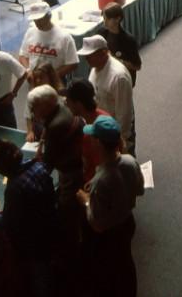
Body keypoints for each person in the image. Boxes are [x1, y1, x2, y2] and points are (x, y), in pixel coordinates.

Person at [75, 115, 144, 297]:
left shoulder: (102, 180)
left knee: (107, 275)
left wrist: (86, 200)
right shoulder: (130, 161)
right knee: (125, 265)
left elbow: (97, 225)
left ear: (98, 143)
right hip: (127, 223)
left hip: (107, 236)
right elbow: (139, 190)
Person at [0, 139, 57, 297]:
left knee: (40, 280)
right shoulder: (39, 166)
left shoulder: (14, 189)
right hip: (51, 226)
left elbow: (11, 226)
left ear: (1, 167)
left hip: (33, 245)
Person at [27, 85, 83, 259]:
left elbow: (47, 165)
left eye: (33, 107)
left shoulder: (56, 126)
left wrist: (28, 176)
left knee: (66, 210)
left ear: (45, 106)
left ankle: (70, 251)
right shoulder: (62, 109)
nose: (31, 111)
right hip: (74, 163)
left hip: (70, 172)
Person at [79, 35, 136, 156]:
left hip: (115, 133)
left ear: (103, 52)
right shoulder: (95, 67)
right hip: (101, 128)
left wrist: (120, 141)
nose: (86, 59)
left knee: (125, 167)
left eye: (90, 55)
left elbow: (124, 113)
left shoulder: (118, 76)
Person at [19, 1, 79, 93]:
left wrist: (53, 76)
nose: (37, 22)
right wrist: (28, 70)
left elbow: (73, 63)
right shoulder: (30, 32)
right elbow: (23, 55)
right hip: (34, 81)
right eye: (35, 20)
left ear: (49, 16)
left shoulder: (64, 37)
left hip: (55, 83)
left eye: (40, 19)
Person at [64, 79, 110, 183]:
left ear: (79, 104)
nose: (66, 103)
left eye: (68, 101)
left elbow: (102, 167)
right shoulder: (103, 115)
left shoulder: (92, 135)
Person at [97, 2, 142, 85]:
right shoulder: (101, 33)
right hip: (106, 77)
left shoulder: (129, 40)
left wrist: (115, 60)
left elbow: (137, 66)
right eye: (104, 18)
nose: (105, 22)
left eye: (107, 19)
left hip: (122, 80)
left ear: (118, 19)